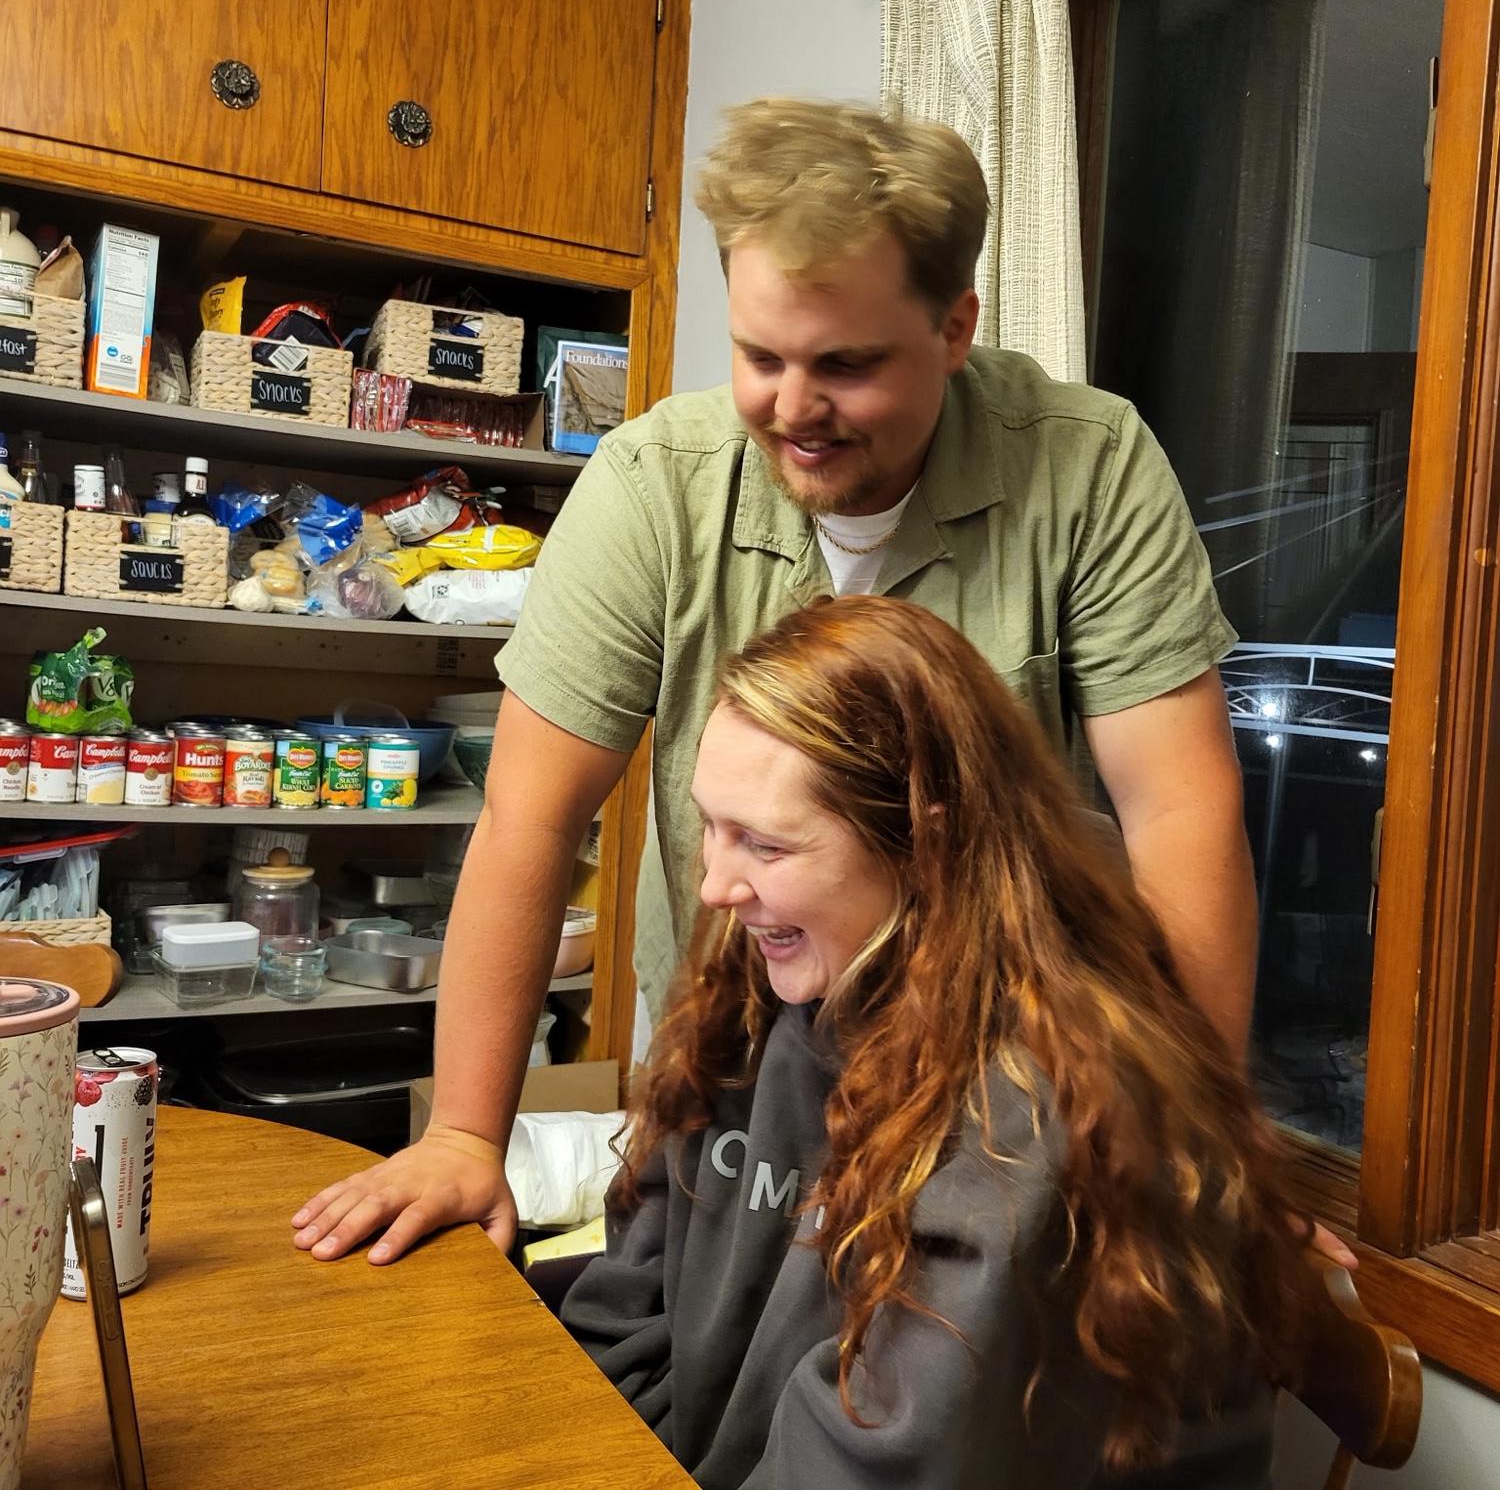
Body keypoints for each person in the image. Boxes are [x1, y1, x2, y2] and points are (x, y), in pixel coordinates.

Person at [292, 98, 1262, 1267]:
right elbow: (530, 821)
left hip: (1020, 1082)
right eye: (762, 358)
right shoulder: (655, 485)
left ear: (955, 328)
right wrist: (461, 1133)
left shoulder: (1090, 467)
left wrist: (1194, 1156)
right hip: (737, 1067)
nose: (794, 411)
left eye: (847, 366)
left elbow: (1182, 813)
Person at [564, 596, 1309, 1489]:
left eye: (764, 844)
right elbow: (634, 1301)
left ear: (925, 845)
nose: (717, 885)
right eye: (710, 828)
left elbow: (879, 1463)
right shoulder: (761, 983)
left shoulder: (1030, 1118)